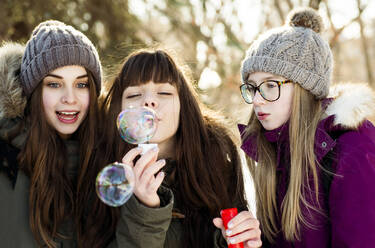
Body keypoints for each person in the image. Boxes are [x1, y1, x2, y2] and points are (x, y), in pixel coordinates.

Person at [89, 48, 263, 248]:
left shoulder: (217, 169)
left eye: (164, 92)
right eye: (134, 94)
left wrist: (242, 241)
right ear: (118, 111)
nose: (148, 101)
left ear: (184, 106)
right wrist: (145, 210)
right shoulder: (103, 175)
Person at [238, 7, 375, 248]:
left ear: (305, 89)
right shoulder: (275, 152)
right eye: (252, 87)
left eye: (270, 85)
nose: (257, 99)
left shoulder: (352, 150)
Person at [0, 20, 103, 247]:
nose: (70, 98)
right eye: (54, 85)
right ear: (35, 92)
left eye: (81, 84)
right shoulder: (6, 161)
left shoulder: (105, 159)